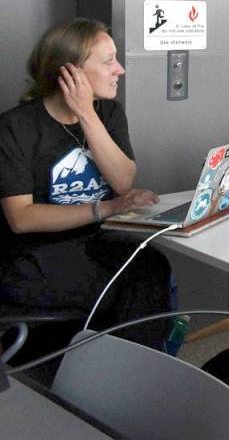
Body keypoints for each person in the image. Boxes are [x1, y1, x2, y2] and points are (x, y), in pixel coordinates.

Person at [0, 19, 173, 354]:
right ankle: (115, 375)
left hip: (90, 243)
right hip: (29, 256)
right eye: (108, 61)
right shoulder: (15, 128)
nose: (119, 70)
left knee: (152, 264)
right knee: (132, 287)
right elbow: (22, 218)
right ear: (70, 73)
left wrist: (87, 116)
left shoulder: (108, 114)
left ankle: (128, 373)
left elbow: (122, 182)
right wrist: (104, 208)